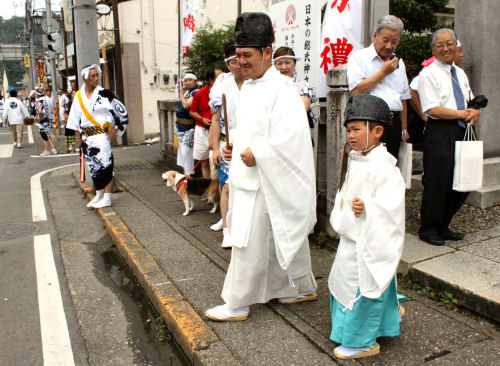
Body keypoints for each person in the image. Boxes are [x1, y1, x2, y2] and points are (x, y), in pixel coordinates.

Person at [205, 12, 317, 322]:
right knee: (275, 236)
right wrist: (234, 145)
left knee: (248, 241)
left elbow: (293, 136)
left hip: (265, 174)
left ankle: (238, 302)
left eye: (246, 56)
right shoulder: (252, 85)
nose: (239, 62)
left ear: (268, 51)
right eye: (237, 56)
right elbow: (253, 129)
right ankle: (298, 287)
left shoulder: (283, 88)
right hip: (252, 174)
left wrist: (261, 154)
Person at [328, 94, 405, 360]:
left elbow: (393, 203)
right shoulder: (357, 158)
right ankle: (379, 321)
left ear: (377, 131)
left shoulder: (385, 165)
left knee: (362, 283)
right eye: (349, 129)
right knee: (347, 280)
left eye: (357, 129)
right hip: (353, 235)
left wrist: (369, 207)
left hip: (368, 239)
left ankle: (361, 341)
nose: (350, 135)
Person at [417, 29, 480, 246]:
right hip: (441, 131)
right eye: (440, 45)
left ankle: (444, 224)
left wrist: (474, 111)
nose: (446, 48)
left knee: (462, 179)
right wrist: (463, 114)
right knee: (438, 181)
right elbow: (432, 109)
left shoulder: (459, 73)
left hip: (463, 129)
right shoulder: (428, 74)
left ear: (456, 46)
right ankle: (429, 228)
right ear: (433, 50)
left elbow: (469, 99)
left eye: (449, 44)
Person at [347, 15, 410, 158]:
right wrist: (383, 73)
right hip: (370, 121)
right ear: (375, 36)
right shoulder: (360, 58)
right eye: (385, 40)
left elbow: (404, 98)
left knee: (391, 165)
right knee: (370, 163)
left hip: (395, 122)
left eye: (394, 42)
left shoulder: (399, 63)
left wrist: (404, 128)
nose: (389, 46)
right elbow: (356, 91)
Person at [67, 64, 129, 208]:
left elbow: (121, 111)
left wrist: (116, 127)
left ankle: (107, 197)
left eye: (97, 75)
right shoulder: (78, 96)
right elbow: (75, 117)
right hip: (87, 136)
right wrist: (78, 136)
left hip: (102, 135)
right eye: (92, 76)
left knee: (105, 165)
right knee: (93, 166)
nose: (96, 78)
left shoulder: (104, 94)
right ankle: (99, 194)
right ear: (85, 78)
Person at [208, 40, 247, 247]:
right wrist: (214, 147)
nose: (238, 64)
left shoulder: (255, 80)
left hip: (250, 145)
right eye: (233, 60)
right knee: (228, 188)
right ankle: (227, 229)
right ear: (227, 62)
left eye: (241, 58)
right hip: (227, 145)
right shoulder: (222, 84)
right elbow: (215, 119)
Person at [409, 40, 464, 125]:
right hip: (440, 125)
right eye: (459, 51)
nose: (461, 55)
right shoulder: (432, 70)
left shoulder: (459, 73)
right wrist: (423, 115)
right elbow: (412, 91)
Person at [273, 46, 317, 132]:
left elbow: (300, 112)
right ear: (274, 65)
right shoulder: (269, 86)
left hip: (298, 134)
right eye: (279, 63)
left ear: (294, 63)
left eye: (287, 62)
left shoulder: (304, 86)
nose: (284, 67)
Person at [190, 67, 222, 178]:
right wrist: (202, 119)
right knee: (204, 162)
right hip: (202, 130)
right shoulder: (200, 93)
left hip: (218, 130)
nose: (223, 78)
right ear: (211, 80)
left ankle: (217, 190)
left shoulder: (226, 92)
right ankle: (208, 190)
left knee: (217, 161)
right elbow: (192, 111)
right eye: (219, 77)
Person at [176, 73, 199, 175]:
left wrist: (181, 93)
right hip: (180, 126)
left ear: (195, 81)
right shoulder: (187, 93)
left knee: (186, 153)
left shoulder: (195, 92)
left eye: (190, 80)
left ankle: (188, 177)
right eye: (186, 80)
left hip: (190, 127)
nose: (187, 82)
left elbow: (185, 106)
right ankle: (185, 176)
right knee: (181, 154)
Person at [36, 89, 58, 156]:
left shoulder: (39, 101)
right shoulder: (48, 100)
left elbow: (40, 111)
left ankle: (46, 150)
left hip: (43, 121)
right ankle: (53, 149)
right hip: (50, 120)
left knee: (44, 136)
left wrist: (39, 119)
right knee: (48, 135)